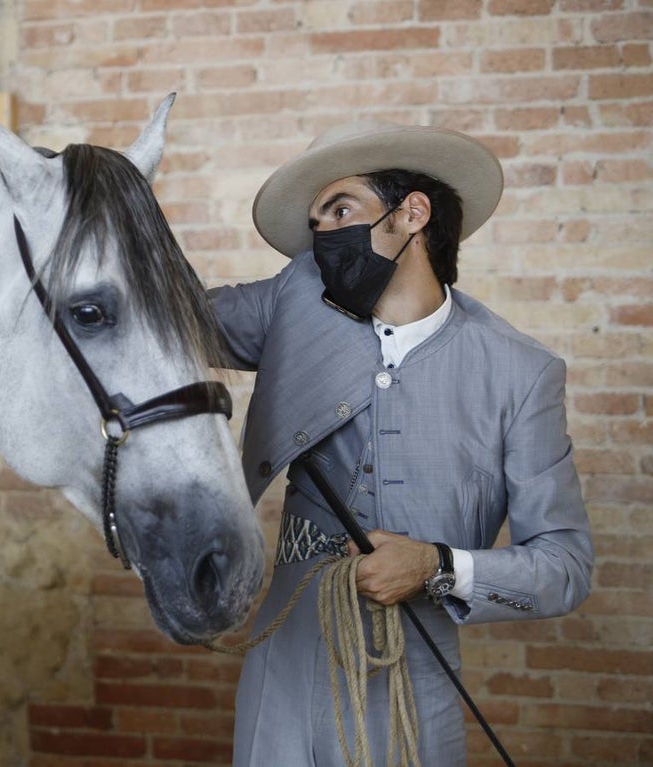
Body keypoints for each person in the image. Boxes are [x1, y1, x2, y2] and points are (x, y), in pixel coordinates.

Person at [209, 120, 594, 766]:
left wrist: (438, 565)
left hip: (415, 690)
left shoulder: (520, 374)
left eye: (340, 209)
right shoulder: (294, 298)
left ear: (412, 213)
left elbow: (566, 566)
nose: (323, 237)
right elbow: (162, 314)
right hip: (283, 675)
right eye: (316, 222)